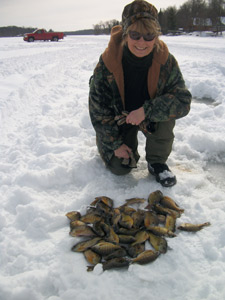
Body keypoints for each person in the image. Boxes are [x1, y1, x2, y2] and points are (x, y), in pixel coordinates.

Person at [89, 0, 192, 187]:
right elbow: (98, 111)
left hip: (149, 117)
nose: (142, 42)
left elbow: (182, 101)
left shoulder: (166, 62)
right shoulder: (107, 64)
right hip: (120, 119)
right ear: (126, 34)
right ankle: (118, 147)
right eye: (135, 35)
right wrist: (114, 145)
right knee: (121, 167)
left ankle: (157, 162)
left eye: (149, 35)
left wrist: (146, 111)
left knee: (166, 115)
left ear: (156, 36)